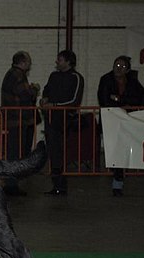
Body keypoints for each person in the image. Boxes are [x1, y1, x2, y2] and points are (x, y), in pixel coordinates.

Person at [97, 55, 144, 196]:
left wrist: (118, 98)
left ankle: (118, 177)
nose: (118, 68)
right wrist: (124, 102)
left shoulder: (133, 82)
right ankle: (117, 181)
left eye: (122, 66)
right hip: (111, 120)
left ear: (128, 70)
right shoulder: (106, 79)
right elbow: (105, 100)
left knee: (122, 149)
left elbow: (138, 98)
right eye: (116, 65)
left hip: (127, 121)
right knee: (115, 149)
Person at [40, 50, 84, 196]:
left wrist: (54, 105)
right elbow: (47, 90)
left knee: (63, 152)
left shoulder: (76, 77)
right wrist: (45, 99)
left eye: (59, 60)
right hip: (51, 119)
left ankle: (62, 185)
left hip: (66, 121)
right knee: (54, 152)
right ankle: (57, 184)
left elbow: (74, 101)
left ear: (68, 61)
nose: (56, 62)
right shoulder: (54, 76)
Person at [0, 51, 40, 196]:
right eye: (28, 62)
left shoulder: (11, 74)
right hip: (17, 120)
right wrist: (34, 89)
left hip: (14, 120)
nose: (30, 65)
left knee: (14, 152)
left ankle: (11, 183)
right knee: (15, 153)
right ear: (23, 62)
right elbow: (25, 96)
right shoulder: (17, 75)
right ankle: (11, 185)